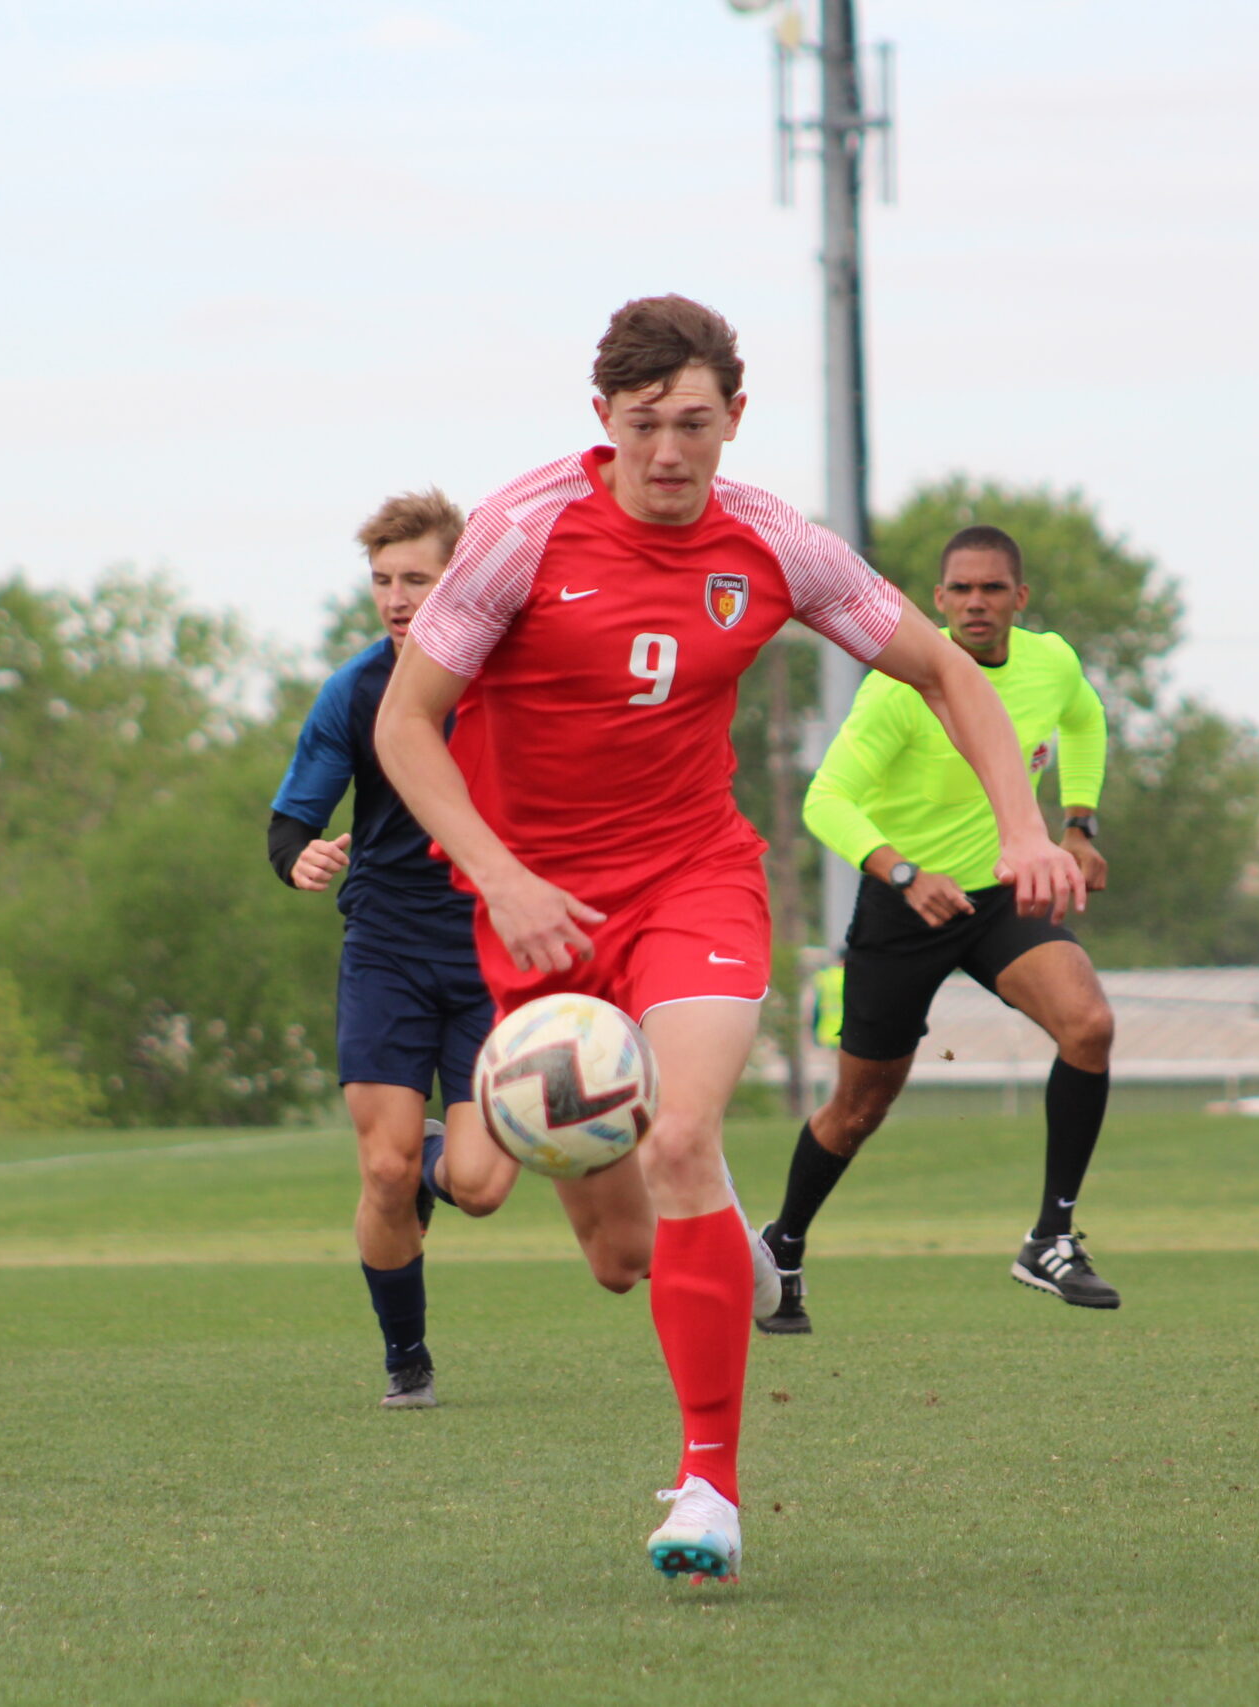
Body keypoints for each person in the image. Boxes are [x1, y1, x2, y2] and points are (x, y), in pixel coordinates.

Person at [375, 295, 1081, 1582]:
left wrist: (1023, 823)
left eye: (692, 423)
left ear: (732, 420)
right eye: (641, 425)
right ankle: (728, 1236)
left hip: (694, 879)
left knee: (686, 1135)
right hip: (536, 912)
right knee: (618, 1256)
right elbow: (406, 727)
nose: (666, 452)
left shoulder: (774, 544)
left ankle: (709, 1490)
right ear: (603, 420)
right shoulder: (517, 535)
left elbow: (944, 670)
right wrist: (497, 874)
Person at [759, 522, 1116, 1332]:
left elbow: (1087, 718)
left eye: (994, 588)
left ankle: (1051, 1239)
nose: (976, 603)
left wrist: (1081, 823)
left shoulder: (1050, 661)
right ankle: (784, 1244)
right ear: (938, 600)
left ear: (1020, 599)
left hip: (998, 897)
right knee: (858, 1107)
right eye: (961, 589)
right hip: (904, 905)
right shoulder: (897, 690)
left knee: (1089, 1024)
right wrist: (903, 873)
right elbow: (826, 800)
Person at [268, 488, 516, 1412]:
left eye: (418, 578)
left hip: (497, 948)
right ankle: (405, 1355)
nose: (397, 598)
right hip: (388, 944)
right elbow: (291, 822)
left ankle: (434, 1148)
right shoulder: (357, 689)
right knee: (383, 1165)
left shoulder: (512, 678)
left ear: (463, 579)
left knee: (484, 1186)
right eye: (382, 580)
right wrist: (304, 859)